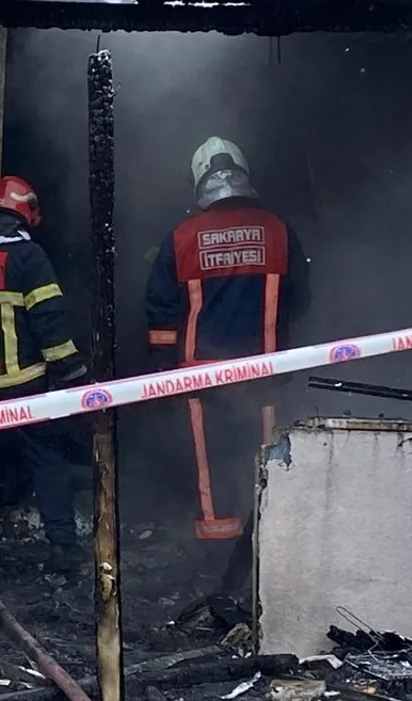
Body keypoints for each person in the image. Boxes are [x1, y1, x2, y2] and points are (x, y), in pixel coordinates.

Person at [144, 136, 310, 583]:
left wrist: (164, 370)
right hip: (266, 374)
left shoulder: (181, 237)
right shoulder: (278, 230)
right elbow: (300, 300)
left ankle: (217, 566)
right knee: (266, 456)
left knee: (209, 466)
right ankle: (267, 548)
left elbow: (161, 311)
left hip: (201, 377)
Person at [0, 175, 88, 574]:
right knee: (48, 464)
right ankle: (63, 548)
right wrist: (72, 373)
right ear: (25, 214)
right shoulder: (29, 258)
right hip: (21, 389)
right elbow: (49, 320)